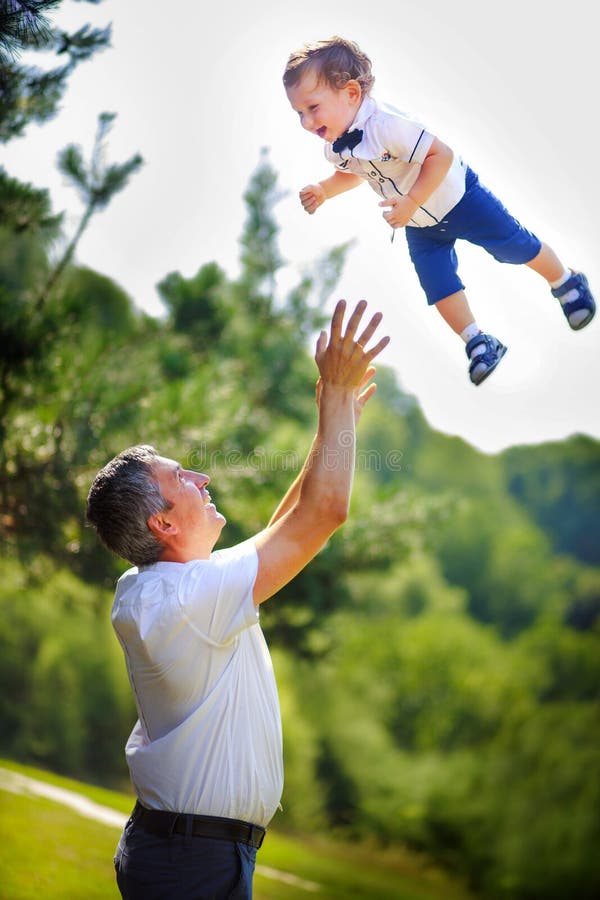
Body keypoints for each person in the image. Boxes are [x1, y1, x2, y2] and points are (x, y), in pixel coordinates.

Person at [86, 299, 389, 900]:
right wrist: (332, 394)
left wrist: (336, 421)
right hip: (192, 861)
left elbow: (287, 526)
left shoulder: (166, 587)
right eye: (183, 480)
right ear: (163, 525)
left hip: (188, 853)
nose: (202, 480)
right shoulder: (188, 601)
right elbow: (323, 515)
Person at [283, 37, 596, 386]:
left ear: (352, 94)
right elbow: (352, 172)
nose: (307, 122)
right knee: (437, 283)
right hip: (418, 222)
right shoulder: (336, 147)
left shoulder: (387, 125)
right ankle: (478, 342)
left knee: (513, 246)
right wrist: (325, 189)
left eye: (313, 108)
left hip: (459, 199)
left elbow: (440, 155)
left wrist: (412, 200)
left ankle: (566, 282)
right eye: (299, 113)